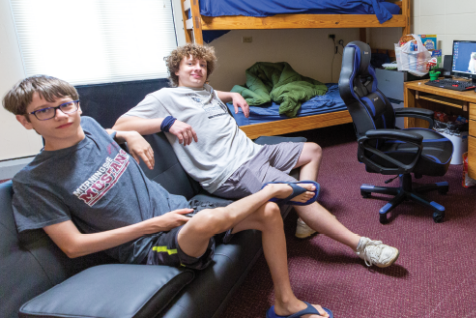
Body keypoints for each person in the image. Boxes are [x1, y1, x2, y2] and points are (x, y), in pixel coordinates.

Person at [4, 75, 332, 318]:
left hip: (181, 211)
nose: (62, 116)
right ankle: (274, 189)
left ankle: (286, 302)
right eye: (45, 111)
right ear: (25, 120)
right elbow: (73, 246)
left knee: (270, 214)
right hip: (149, 246)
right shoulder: (33, 180)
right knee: (216, 217)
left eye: (66, 105)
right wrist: (150, 226)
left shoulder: (88, 126)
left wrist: (129, 134)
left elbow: (109, 131)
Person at [113, 44, 399, 268]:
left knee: (313, 149)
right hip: (232, 171)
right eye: (191, 64)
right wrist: (165, 123)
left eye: (202, 65)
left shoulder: (208, 91)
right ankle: (362, 246)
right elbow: (120, 125)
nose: (198, 69)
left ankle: (303, 221)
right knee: (298, 191)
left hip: (255, 152)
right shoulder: (164, 98)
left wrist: (233, 95)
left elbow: (213, 94)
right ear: (177, 69)